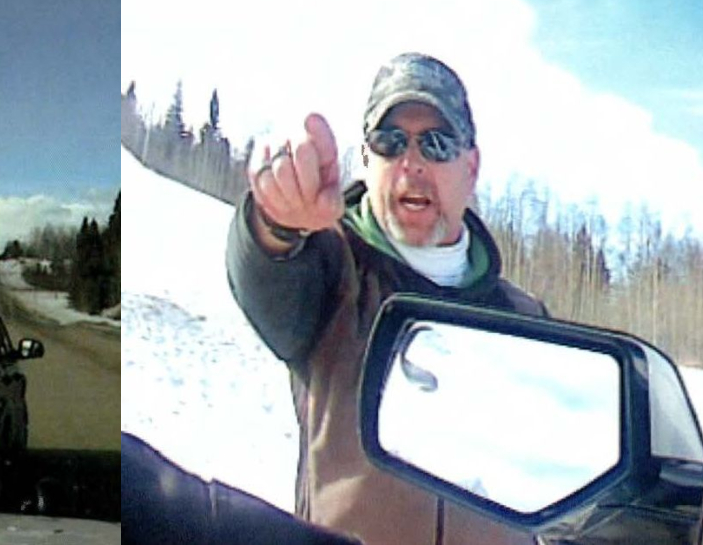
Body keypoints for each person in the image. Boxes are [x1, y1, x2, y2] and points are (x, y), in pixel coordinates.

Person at [225, 52, 547, 544]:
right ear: (367, 159)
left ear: (471, 166)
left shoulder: (524, 318)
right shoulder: (333, 271)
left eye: (437, 143)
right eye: (390, 142)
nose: (411, 163)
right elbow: (265, 270)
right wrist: (276, 219)